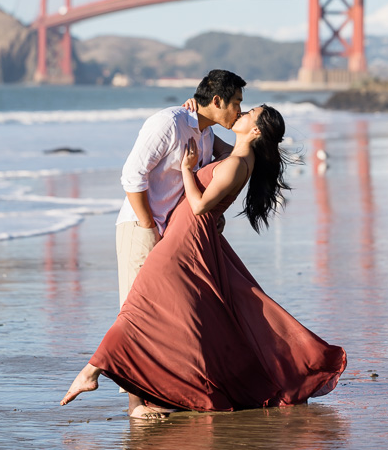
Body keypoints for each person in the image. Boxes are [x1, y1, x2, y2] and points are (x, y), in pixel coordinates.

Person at [61, 105, 347, 417]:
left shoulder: (238, 162)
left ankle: (94, 373)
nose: (243, 111)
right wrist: (195, 116)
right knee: (164, 313)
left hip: (183, 242)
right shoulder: (236, 156)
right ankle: (135, 385)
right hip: (184, 237)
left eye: (250, 112)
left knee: (140, 308)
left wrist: (186, 168)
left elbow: (198, 206)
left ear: (256, 131)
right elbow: (211, 139)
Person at [113, 69, 246, 417]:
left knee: (166, 315)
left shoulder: (205, 132)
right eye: (235, 104)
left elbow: (238, 156)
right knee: (136, 313)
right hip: (141, 228)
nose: (238, 112)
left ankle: (160, 395)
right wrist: (148, 228)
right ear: (216, 101)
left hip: (169, 235)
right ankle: (135, 405)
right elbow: (131, 175)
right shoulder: (168, 123)